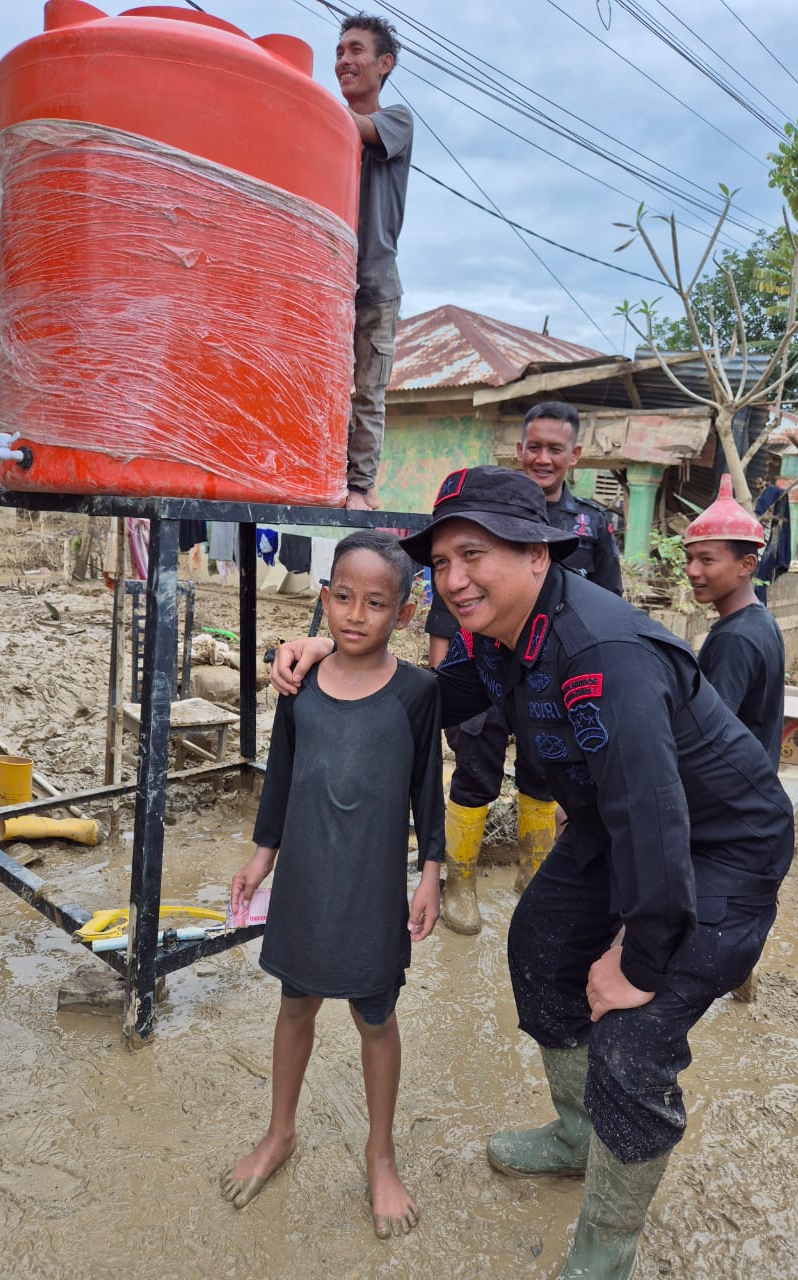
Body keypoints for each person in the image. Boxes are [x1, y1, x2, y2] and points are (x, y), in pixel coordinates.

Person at [270, 466, 794, 1279]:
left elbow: (658, 821)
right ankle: (579, 1134)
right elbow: (433, 696)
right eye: (441, 562)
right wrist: (336, 654)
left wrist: (639, 956)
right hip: (616, 828)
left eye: (473, 554)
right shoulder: (504, 638)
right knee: (543, 946)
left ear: (538, 555)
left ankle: (606, 1249)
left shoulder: (603, 656)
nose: (454, 578)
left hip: (719, 845)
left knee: (631, 1033)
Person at [221, 530, 444, 1240]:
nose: (355, 615)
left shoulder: (418, 692)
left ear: (403, 615)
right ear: (324, 599)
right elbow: (280, 774)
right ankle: (279, 1132)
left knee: (375, 1015)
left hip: (372, 883)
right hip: (308, 876)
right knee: (296, 1004)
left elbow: (426, 793)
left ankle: (380, 1154)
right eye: (343, 597)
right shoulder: (299, 683)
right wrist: (264, 855)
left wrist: (430, 873)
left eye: (376, 603)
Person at [425, 402, 622, 934]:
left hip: (554, 678)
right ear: (520, 449)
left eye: (554, 449)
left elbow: (607, 603)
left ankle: (538, 871)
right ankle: (459, 881)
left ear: (573, 455)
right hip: (484, 666)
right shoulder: (485, 505)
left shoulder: (590, 525)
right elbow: (451, 607)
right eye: (533, 447)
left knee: (545, 775)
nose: (542, 458)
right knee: (475, 772)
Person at [336, 14, 413, 512]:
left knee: (367, 390)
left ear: (383, 64)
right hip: (325, 279)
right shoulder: (325, 125)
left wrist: (294, 102)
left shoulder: (396, 120)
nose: (344, 59)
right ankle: (316, 472)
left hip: (374, 282)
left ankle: (360, 488)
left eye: (356, 50)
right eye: (339, 50)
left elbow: (358, 128)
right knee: (318, 381)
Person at [683, 473, 785, 769]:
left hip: (733, 798)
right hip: (757, 781)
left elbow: (707, 735)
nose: (692, 570)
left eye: (707, 560)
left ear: (747, 564)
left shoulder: (735, 638)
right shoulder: (760, 621)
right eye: (689, 558)